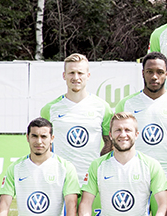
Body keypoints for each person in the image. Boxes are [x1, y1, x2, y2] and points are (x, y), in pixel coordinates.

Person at [115, 52, 167, 190]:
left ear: (166, 74)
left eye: (160, 72)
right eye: (149, 72)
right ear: (142, 73)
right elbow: (116, 142)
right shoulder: (126, 104)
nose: (154, 77)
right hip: (133, 174)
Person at [79, 113, 167, 216]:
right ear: (110, 135)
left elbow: (163, 204)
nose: (122, 134)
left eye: (127, 130)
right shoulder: (97, 165)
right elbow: (86, 203)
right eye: (118, 130)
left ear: (136, 134)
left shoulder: (151, 165)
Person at [39, 53, 113, 181]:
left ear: (88, 76)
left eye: (80, 73)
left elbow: (109, 142)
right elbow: (44, 144)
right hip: (60, 180)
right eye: (71, 73)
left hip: (91, 180)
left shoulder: (102, 107)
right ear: (64, 75)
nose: (76, 77)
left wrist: (98, 166)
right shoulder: (49, 109)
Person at [0, 118, 81, 216]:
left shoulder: (66, 167)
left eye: (43, 137)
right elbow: (4, 204)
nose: (39, 141)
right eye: (34, 136)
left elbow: (71, 205)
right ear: (27, 137)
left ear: (52, 138)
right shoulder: (15, 168)